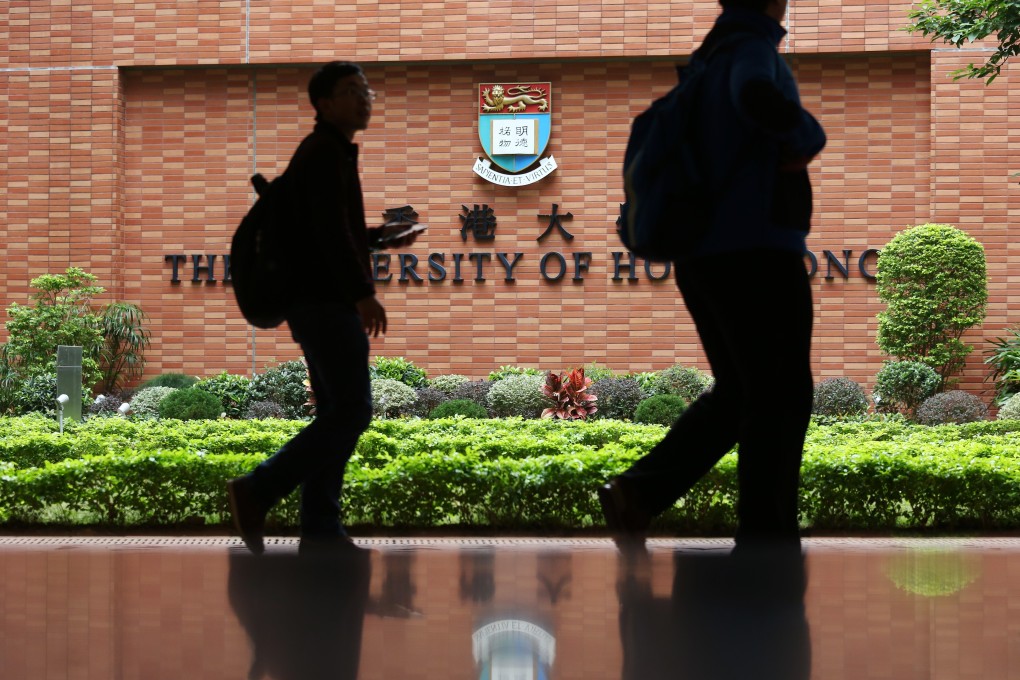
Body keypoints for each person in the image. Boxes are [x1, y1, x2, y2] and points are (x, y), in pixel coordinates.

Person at [599, 0, 826, 551]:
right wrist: (804, 136)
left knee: (743, 392)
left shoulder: (707, 61)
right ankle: (767, 536)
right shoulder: (749, 50)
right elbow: (755, 96)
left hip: (704, 257)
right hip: (754, 249)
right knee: (781, 394)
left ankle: (638, 492)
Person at [227, 61, 419, 556]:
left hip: (317, 303)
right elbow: (328, 237)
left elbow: (327, 229)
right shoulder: (322, 153)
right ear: (325, 103)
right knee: (352, 410)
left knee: (337, 410)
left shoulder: (329, 153)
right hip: (325, 304)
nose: (365, 99)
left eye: (367, 90)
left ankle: (319, 525)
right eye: (353, 91)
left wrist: (379, 237)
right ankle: (259, 488)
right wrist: (362, 292)